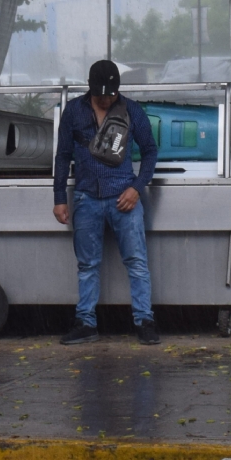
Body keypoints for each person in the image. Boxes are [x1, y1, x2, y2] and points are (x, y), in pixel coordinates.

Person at [52, 59, 160, 345]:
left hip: (124, 197)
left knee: (136, 263)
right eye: (100, 93)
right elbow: (62, 156)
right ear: (90, 88)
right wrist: (60, 197)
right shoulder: (74, 110)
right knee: (87, 265)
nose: (105, 98)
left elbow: (150, 152)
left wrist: (137, 188)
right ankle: (86, 322)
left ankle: (144, 321)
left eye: (110, 93)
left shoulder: (132, 111)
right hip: (86, 198)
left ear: (117, 89)